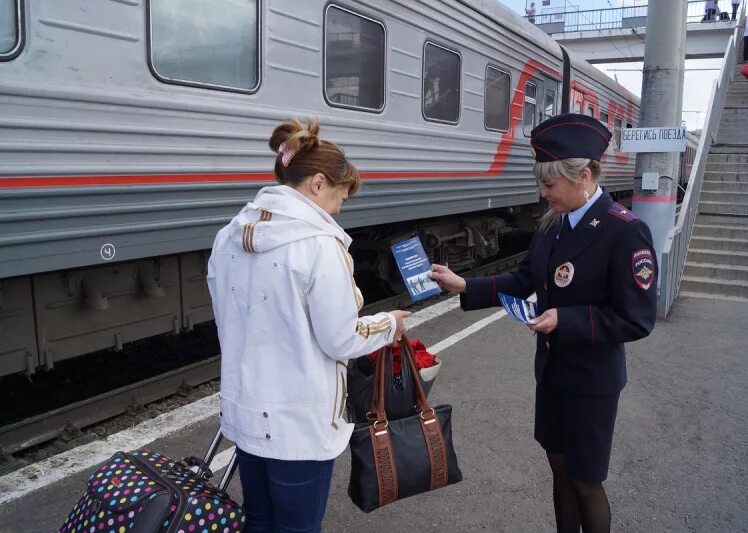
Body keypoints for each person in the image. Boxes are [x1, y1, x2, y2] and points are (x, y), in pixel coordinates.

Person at [429, 114, 658, 533]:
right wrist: (464, 284)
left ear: (584, 176)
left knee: (585, 481)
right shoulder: (553, 225)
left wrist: (566, 320)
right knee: (558, 468)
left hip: (592, 381)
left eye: (549, 185)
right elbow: (523, 280)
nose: (542, 193)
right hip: (553, 373)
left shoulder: (625, 232)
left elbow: (637, 318)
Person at [207, 118, 409, 532]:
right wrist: (389, 323)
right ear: (318, 183)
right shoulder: (319, 245)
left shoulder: (228, 235)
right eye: (339, 197)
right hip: (298, 424)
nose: (338, 209)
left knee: (259, 521)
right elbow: (342, 337)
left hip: (245, 415)